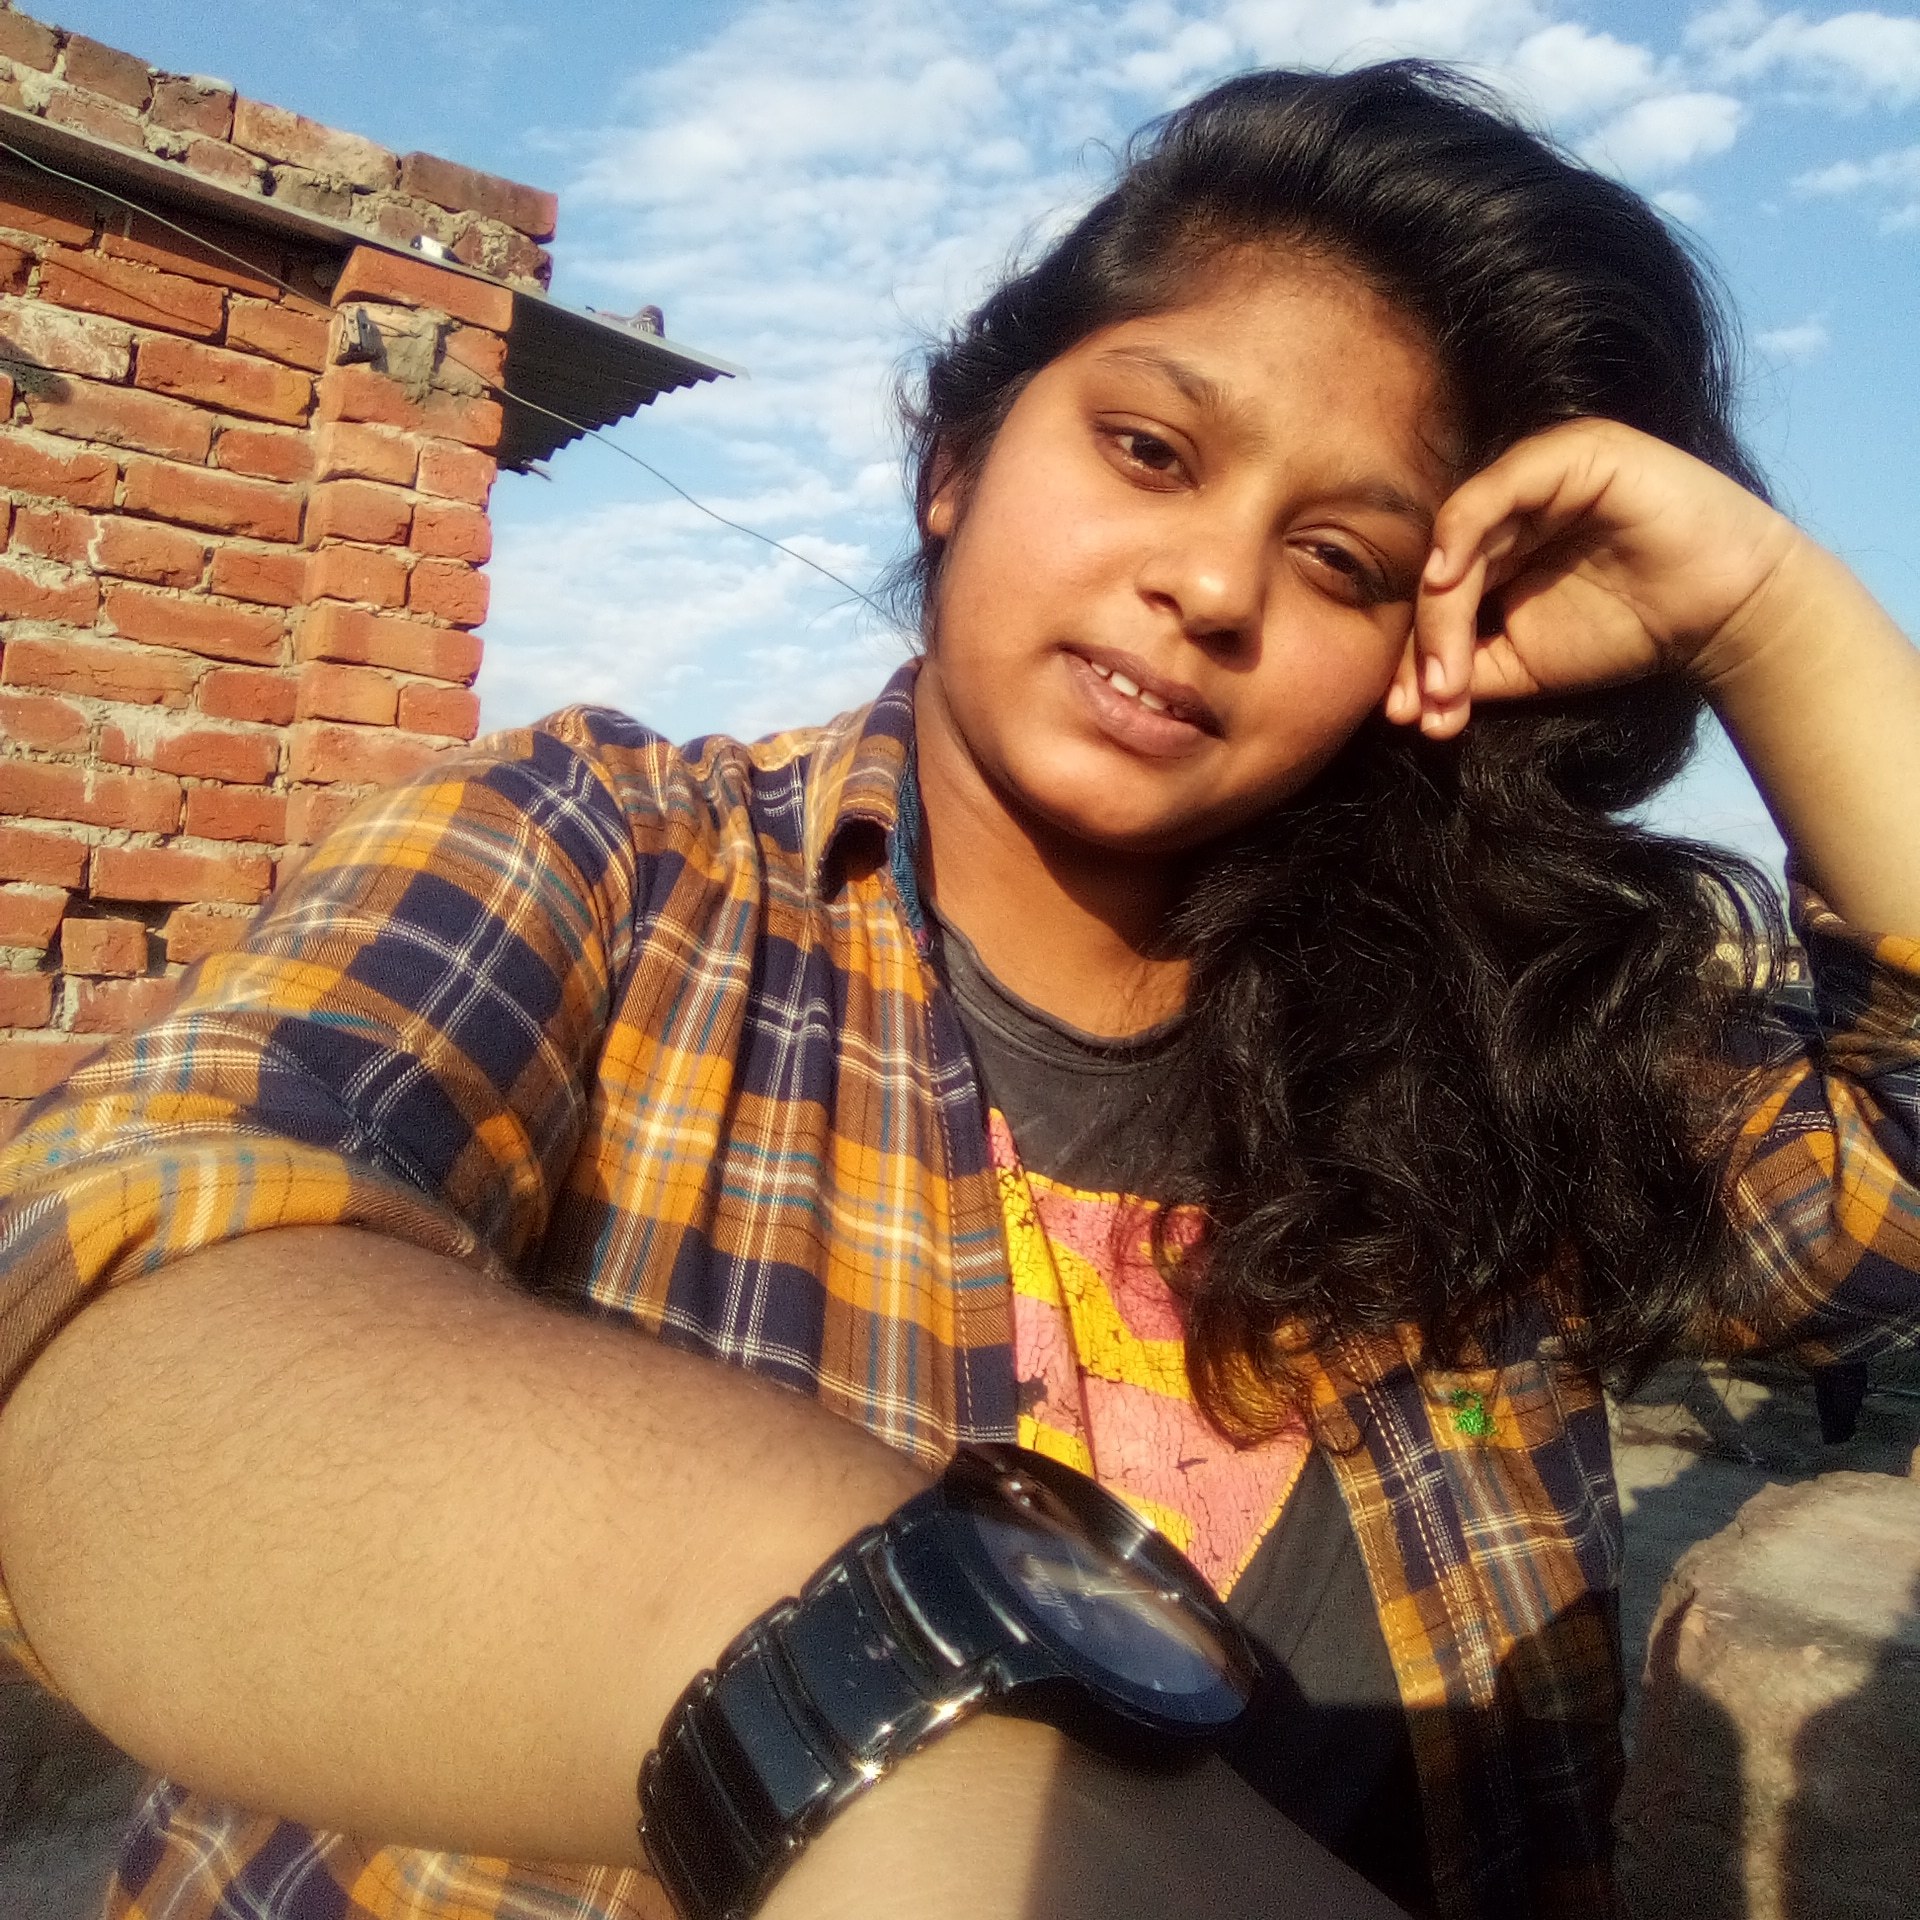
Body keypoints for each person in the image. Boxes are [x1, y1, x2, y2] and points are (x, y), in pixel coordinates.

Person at [0, 57, 1916, 1920]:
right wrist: (890, 1702)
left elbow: (1884, 1201)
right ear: (957, 461)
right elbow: (107, 1287)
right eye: (1150, 452)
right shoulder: (615, 866)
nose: (1214, 586)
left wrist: (1768, 615)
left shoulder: (1502, 1040)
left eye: (1343, 559)